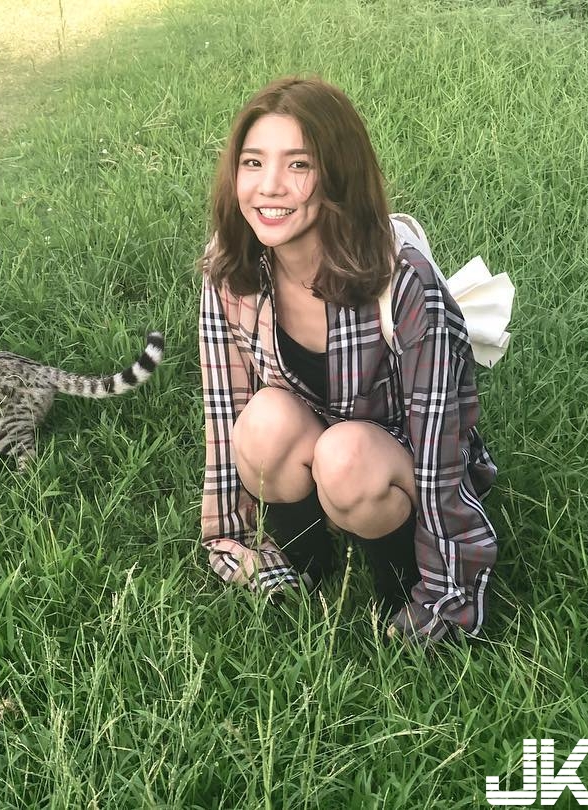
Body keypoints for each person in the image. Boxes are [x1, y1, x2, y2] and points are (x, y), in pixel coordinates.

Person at [198, 76, 498, 647]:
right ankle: (307, 567)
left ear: (339, 173)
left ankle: (398, 586)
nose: (270, 186)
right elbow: (224, 410)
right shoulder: (231, 266)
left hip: (392, 457)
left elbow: (439, 450)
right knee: (261, 421)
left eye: (299, 165)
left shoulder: (404, 281)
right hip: (313, 443)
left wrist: (448, 593)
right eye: (253, 162)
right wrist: (230, 535)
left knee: (345, 456)